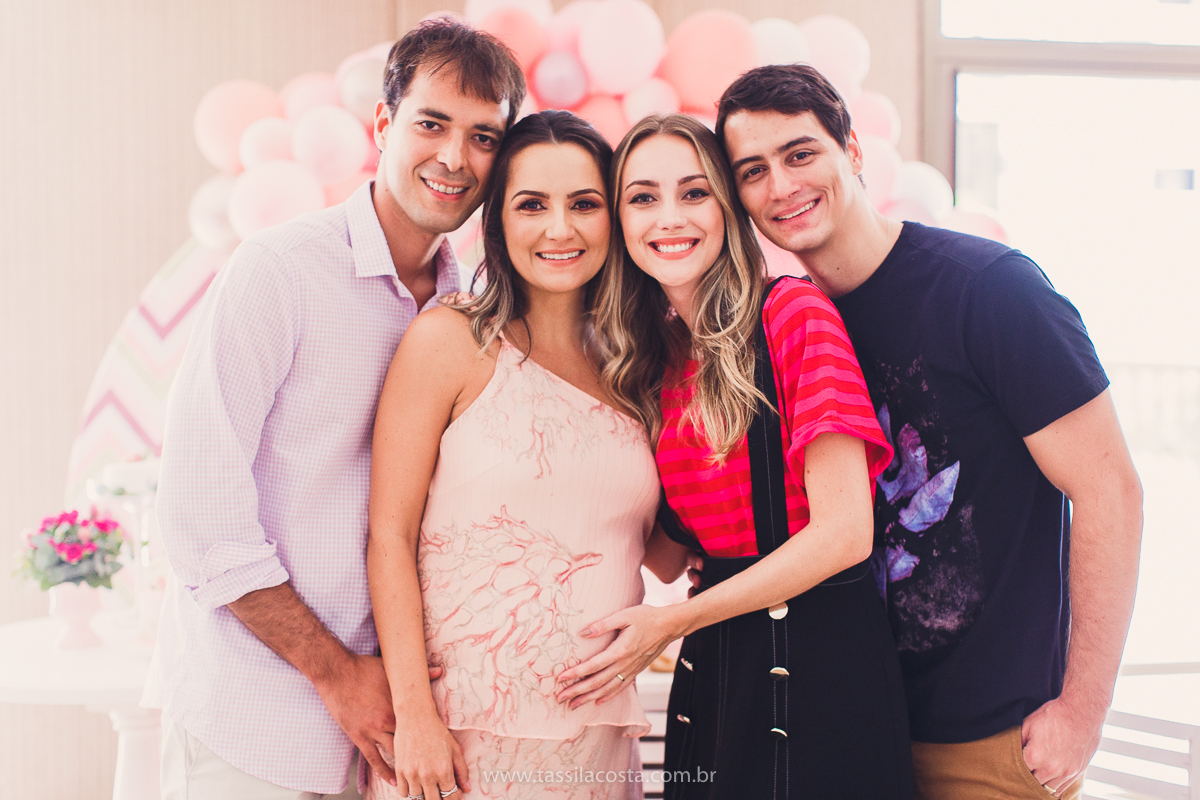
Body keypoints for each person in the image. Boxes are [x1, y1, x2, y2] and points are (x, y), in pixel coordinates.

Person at [715, 64, 1144, 800]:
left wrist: (1083, 710)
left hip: (993, 740)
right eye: (753, 171)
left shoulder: (989, 289)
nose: (781, 185)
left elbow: (1111, 493)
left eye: (800, 153)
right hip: (853, 727)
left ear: (852, 149)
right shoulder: (786, 327)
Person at [145, 20, 525, 799]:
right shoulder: (277, 273)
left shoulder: (470, 309)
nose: (455, 157)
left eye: (483, 136)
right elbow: (198, 519)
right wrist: (338, 674)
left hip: (392, 729)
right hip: (252, 721)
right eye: (431, 124)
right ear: (383, 125)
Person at [557, 113, 914, 799]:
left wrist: (670, 624)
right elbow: (668, 554)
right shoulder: (658, 362)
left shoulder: (792, 315)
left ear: (726, 207)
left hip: (817, 668)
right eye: (642, 197)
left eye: (694, 193)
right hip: (721, 667)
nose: (670, 218)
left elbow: (845, 534)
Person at [367, 109, 679, 800]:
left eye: (585, 205)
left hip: (595, 736)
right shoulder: (450, 339)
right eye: (532, 204)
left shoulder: (642, 363)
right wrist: (413, 713)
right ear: (499, 221)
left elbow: (662, 553)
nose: (560, 229)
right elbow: (389, 535)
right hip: (458, 741)